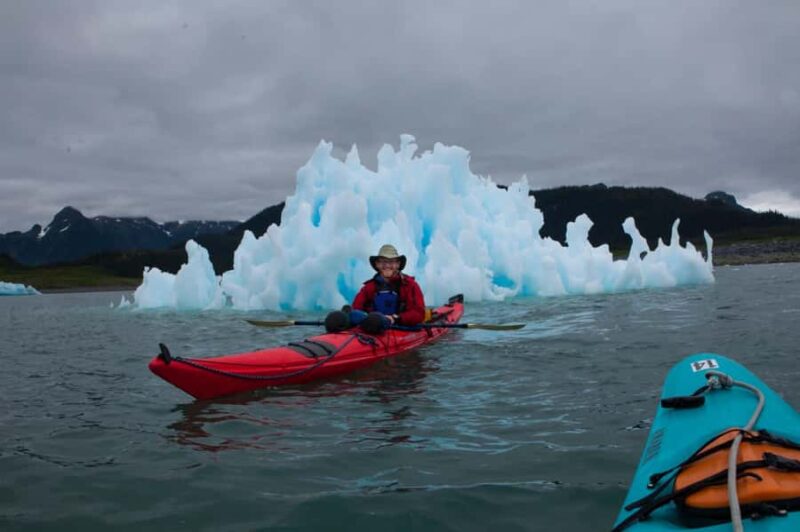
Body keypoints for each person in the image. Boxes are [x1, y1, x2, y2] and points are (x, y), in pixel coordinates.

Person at [351, 244, 426, 330]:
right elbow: (356, 308)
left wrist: (395, 318)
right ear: (377, 264)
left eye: (391, 262)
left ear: (398, 264)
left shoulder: (410, 285)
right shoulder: (369, 287)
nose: (387, 265)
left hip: (401, 329)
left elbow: (419, 314)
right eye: (383, 262)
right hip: (374, 329)